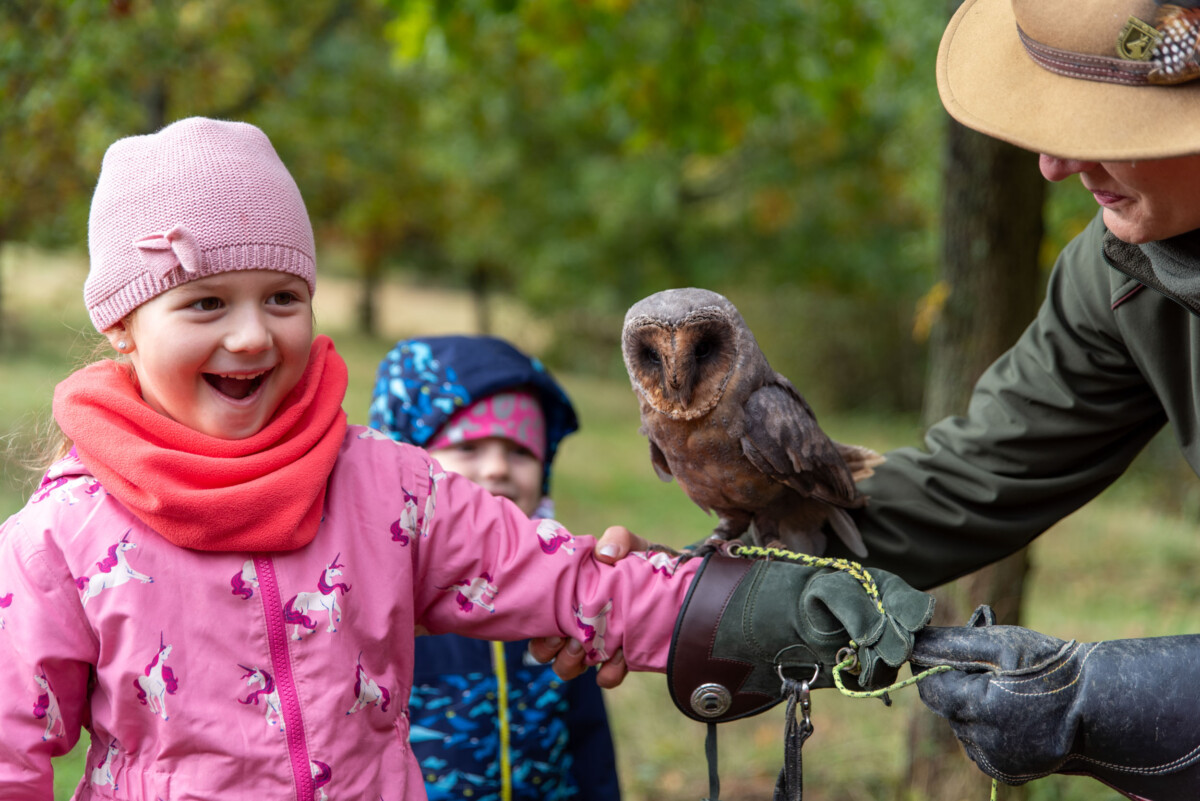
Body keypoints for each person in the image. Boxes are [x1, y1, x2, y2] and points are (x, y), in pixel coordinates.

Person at [0, 116, 931, 800]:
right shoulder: (62, 541)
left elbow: (569, 584)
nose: (252, 335)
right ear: (121, 325)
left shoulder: (386, 489)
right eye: (205, 304)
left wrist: (743, 613)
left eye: (284, 297)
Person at [556, 0, 1200, 796]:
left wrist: (1141, 697)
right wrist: (689, 601)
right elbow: (976, 476)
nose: (1053, 164)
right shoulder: (1118, 274)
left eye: (1106, 123)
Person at [368, 334, 621, 801]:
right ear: (407, 468)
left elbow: (589, 742)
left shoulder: (561, 597)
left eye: (521, 452)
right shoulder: (381, 606)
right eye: (470, 448)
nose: (498, 469)